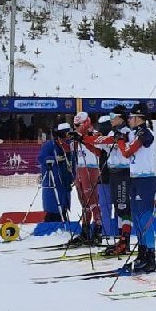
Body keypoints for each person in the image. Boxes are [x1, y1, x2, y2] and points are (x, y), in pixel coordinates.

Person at [115, 103, 156, 273]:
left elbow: (126, 152)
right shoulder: (134, 133)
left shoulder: (145, 132)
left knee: (145, 218)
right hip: (135, 179)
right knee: (137, 219)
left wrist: (120, 140)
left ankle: (150, 255)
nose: (129, 120)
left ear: (138, 118)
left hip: (145, 180)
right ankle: (142, 252)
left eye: (131, 117)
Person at [87, 106, 132, 255]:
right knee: (119, 209)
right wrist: (84, 139)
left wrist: (86, 138)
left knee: (124, 209)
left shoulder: (125, 131)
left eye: (114, 115)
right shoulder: (114, 131)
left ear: (121, 117)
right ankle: (122, 240)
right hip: (114, 173)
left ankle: (125, 242)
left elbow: (107, 140)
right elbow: (101, 145)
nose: (111, 118)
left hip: (123, 172)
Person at [66, 112, 104, 246]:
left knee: (92, 198)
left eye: (78, 125)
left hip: (91, 168)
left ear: (86, 123)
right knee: (83, 201)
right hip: (80, 168)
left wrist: (82, 139)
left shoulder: (95, 134)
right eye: (74, 125)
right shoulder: (78, 134)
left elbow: (99, 151)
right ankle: (85, 230)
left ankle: (98, 230)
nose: (75, 127)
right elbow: (72, 149)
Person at [38, 123, 74, 223]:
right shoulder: (50, 145)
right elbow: (41, 158)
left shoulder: (70, 145)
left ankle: (64, 219)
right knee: (52, 206)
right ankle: (51, 223)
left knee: (63, 204)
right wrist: (54, 159)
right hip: (52, 181)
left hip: (65, 180)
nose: (66, 139)